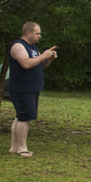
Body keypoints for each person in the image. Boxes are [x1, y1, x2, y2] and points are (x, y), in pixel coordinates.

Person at [8, 21, 58, 157]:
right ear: (28, 33)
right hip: (22, 88)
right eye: (37, 33)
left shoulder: (33, 47)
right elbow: (25, 64)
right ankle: (22, 148)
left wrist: (49, 58)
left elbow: (39, 65)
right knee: (25, 117)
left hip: (31, 87)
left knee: (20, 116)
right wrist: (43, 55)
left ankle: (14, 147)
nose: (39, 36)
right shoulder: (19, 46)